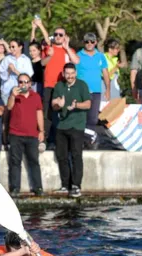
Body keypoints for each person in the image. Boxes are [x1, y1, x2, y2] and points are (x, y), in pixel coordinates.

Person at [52, 63, 90, 198]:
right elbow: (53, 105)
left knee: (76, 155)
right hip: (61, 126)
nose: (69, 76)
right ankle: (65, 185)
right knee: (61, 156)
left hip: (77, 126)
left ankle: (76, 185)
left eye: (72, 73)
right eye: (67, 73)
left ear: (75, 73)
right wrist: (58, 104)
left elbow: (88, 104)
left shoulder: (82, 85)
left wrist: (76, 105)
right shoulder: (59, 86)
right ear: (63, 74)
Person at [7, 73, 44, 196]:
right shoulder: (14, 95)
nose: (23, 84)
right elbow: (9, 107)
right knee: (15, 162)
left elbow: (39, 114)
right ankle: (15, 188)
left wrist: (42, 131)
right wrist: (13, 95)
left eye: (26, 82)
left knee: (34, 162)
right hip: (16, 134)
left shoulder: (36, 96)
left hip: (32, 134)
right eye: (21, 82)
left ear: (30, 83)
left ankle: (38, 187)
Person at [76, 32, 109, 149]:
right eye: (86, 41)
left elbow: (105, 73)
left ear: (95, 42)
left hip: (96, 91)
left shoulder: (100, 56)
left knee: (93, 118)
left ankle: (89, 141)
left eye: (92, 42)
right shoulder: (78, 55)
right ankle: (80, 142)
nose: (89, 44)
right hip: (81, 92)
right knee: (81, 117)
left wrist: (108, 89)